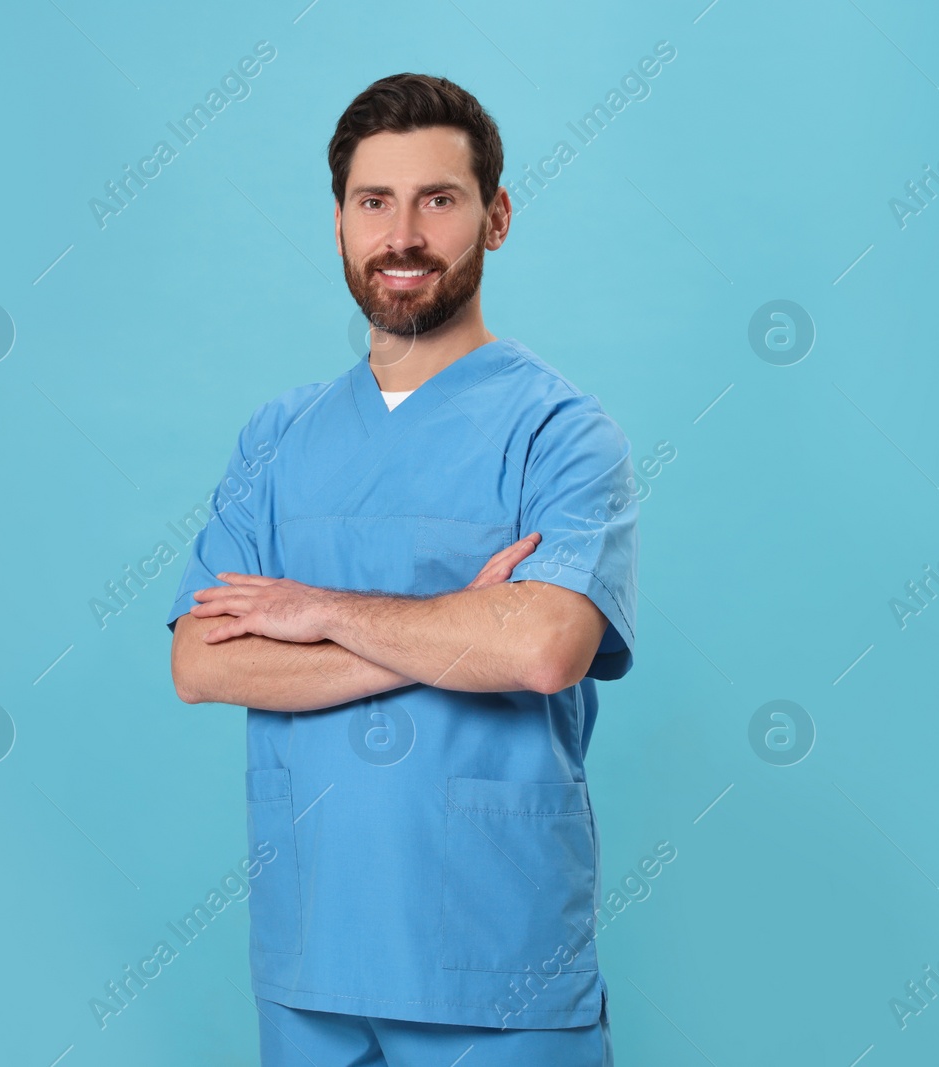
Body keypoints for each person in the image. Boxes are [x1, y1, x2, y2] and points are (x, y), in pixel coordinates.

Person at [165, 73, 640, 1067]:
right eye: (373, 201)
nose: (404, 233)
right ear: (339, 224)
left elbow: (548, 646)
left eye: (439, 198)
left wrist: (316, 611)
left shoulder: (560, 432)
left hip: (495, 963)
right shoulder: (279, 435)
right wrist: (462, 623)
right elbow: (204, 663)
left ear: (495, 217)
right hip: (310, 966)